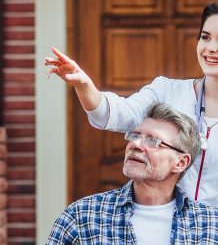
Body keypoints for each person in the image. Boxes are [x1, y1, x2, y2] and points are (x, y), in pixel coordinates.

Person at [45, 0, 218, 207]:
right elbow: (115, 113)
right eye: (205, 37)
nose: (211, 48)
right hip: (169, 226)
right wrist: (83, 85)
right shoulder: (166, 90)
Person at [46, 103, 218, 244]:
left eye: (153, 140)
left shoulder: (210, 225)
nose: (135, 144)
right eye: (135, 135)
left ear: (181, 163)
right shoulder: (82, 216)